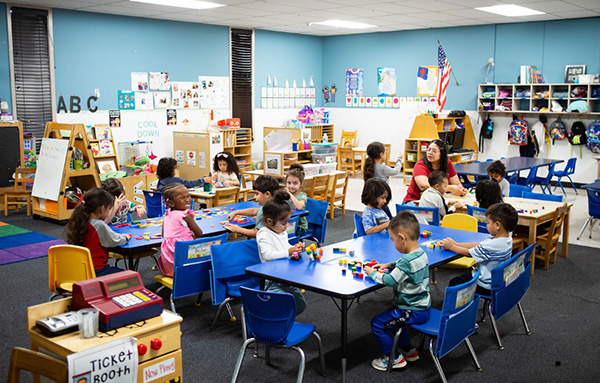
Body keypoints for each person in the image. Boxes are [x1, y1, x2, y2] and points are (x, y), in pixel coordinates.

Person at [364, 211, 430, 371]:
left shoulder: (407, 261)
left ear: (401, 237)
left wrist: (372, 273)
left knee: (378, 324)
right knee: (394, 318)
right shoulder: (420, 253)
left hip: (411, 310)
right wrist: (389, 265)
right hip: (422, 306)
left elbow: (389, 280)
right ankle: (409, 350)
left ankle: (392, 359)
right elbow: (404, 263)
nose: (393, 243)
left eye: (393, 240)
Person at [441, 203, 518, 296]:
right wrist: (456, 244)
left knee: (455, 282)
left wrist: (451, 247)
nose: (487, 225)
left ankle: (455, 309)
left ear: (497, 225)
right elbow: (478, 245)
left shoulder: (493, 245)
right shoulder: (507, 239)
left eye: (488, 222)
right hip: (497, 280)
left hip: (486, 284)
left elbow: (468, 253)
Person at [256, 191, 306, 315]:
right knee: (286, 304)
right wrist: (288, 251)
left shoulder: (281, 231)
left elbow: (285, 246)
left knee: (300, 304)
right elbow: (268, 256)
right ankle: (273, 323)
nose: (286, 226)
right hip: (271, 280)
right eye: (283, 223)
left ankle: (282, 320)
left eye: (287, 222)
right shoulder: (263, 234)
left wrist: (294, 248)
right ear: (269, 221)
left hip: (285, 276)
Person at [64, 188, 131, 276]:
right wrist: (126, 237)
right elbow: (115, 240)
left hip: (79, 270)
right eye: (109, 209)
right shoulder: (99, 225)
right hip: (96, 271)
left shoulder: (79, 221)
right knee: (130, 276)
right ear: (102, 209)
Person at [158, 182, 203, 276]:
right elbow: (199, 233)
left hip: (169, 265)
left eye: (188, 196)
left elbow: (164, 235)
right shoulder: (185, 215)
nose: (187, 200)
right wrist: (192, 235)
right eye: (182, 198)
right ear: (171, 203)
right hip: (183, 261)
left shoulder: (166, 214)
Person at [403, 139, 467, 204]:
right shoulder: (420, 165)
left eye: (434, 151)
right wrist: (449, 188)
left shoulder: (447, 163)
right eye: (429, 150)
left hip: (436, 200)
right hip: (415, 201)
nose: (430, 153)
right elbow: (423, 186)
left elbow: (456, 184)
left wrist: (461, 190)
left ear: (442, 154)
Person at [363, 141, 401, 219]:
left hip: (371, 200)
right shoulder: (383, 168)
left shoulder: (368, 167)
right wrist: (399, 160)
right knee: (390, 220)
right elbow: (396, 171)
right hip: (381, 200)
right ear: (381, 154)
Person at [285, 163, 308, 237]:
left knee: (283, 234)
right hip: (286, 223)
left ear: (301, 183)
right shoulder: (285, 193)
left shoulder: (302, 195)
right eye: (289, 183)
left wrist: (290, 194)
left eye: (295, 183)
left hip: (299, 226)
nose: (291, 186)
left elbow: (300, 207)